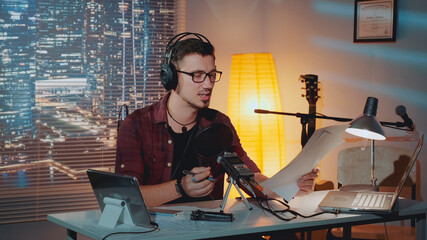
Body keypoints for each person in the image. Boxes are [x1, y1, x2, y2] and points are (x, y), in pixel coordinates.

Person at [115, 32, 319, 207]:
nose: (208, 84)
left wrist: (290, 187)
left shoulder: (220, 123)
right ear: (171, 77)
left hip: (211, 229)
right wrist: (181, 187)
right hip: (158, 232)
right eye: (197, 75)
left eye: (212, 75)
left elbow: (248, 179)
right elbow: (126, 196)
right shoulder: (136, 125)